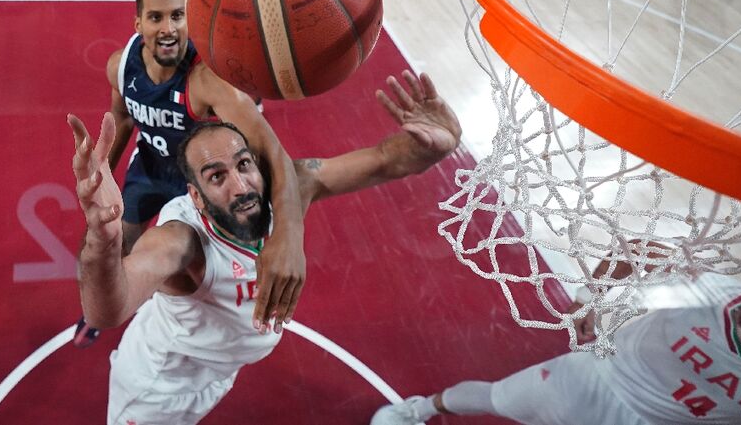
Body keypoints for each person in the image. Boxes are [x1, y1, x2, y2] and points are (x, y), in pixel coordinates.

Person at [68, 70, 462, 424]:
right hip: (158, 389)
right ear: (197, 196)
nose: (240, 186)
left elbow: (382, 161)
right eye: (216, 176)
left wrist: (432, 146)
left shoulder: (286, 190)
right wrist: (102, 244)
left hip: (215, 373)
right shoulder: (182, 241)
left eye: (243, 165)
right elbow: (108, 311)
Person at [73, 0, 305, 347]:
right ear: (138, 23)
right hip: (149, 165)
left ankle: (187, 324)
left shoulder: (210, 81)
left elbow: (274, 153)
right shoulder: (120, 65)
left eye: (178, 16)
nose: (168, 28)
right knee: (121, 238)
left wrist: (290, 237)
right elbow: (124, 116)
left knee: (194, 266)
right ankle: (102, 308)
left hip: (196, 183)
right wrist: (103, 173)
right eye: (156, 17)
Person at [372, 252, 741, 424]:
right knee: (496, 398)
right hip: (590, 382)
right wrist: (588, 300)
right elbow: (640, 250)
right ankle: (420, 409)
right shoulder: (715, 291)